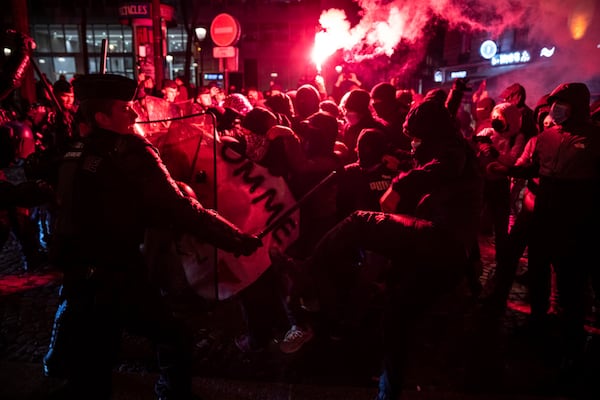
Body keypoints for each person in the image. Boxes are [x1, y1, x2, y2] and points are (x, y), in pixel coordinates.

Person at [42, 73, 262, 400]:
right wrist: (236, 239)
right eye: (123, 108)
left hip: (78, 278)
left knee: (92, 369)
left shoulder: (71, 151)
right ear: (102, 117)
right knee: (173, 336)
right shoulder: (130, 152)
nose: (133, 114)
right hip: (117, 278)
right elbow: (180, 208)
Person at [285, 98, 483, 399]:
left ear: (430, 134)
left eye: (417, 139)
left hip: (440, 240)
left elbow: (444, 167)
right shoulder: (448, 147)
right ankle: (388, 391)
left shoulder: (452, 152)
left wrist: (401, 184)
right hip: (443, 254)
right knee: (396, 317)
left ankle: (307, 267)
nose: (413, 145)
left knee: (359, 222)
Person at [487, 82, 600, 382]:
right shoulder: (545, 138)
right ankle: (537, 325)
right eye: (554, 103)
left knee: (571, 284)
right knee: (537, 271)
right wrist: (505, 169)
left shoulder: (595, 139)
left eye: (562, 103)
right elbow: (531, 169)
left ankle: (572, 345)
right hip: (544, 216)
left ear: (577, 104)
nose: (555, 109)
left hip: (575, 220)